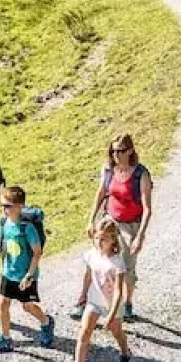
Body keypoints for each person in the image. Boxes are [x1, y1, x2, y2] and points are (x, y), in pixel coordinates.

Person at [68, 132, 153, 322]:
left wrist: (140, 236)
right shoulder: (108, 170)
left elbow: (147, 208)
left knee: (126, 267)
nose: (116, 155)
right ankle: (83, 301)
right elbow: (101, 193)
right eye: (113, 151)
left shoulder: (140, 174)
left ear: (130, 151)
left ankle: (126, 303)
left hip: (131, 225)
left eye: (120, 151)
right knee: (95, 260)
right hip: (110, 220)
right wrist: (91, 220)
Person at [0, 185, 56, 352]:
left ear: (20, 206)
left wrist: (29, 275)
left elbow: (37, 253)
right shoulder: (4, 223)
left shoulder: (26, 227)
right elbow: (3, 245)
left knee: (27, 306)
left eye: (8, 206)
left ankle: (46, 322)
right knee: (3, 304)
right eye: (2, 205)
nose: (4, 209)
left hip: (25, 275)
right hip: (9, 273)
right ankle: (5, 338)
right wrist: (2, 265)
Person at [61, 221, 132, 362]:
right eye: (97, 238)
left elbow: (118, 291)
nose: (99, 242)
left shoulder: (117, 263)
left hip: (111, 305)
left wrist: (112, 314)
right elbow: (88, 276)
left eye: (104, 239)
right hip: (94, 301)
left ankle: (125, 352)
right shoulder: (91, 255)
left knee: (117, 332)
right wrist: (83, 294)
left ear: (113, 240)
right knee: (84, 332)